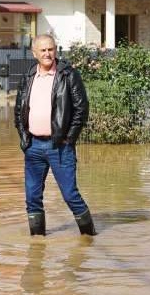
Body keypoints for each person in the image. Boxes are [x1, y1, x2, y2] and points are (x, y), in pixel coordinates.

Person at [14, 34, 96, 237]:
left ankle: (89, 238)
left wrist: (69, 138)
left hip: (60, 146)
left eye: (50, 49)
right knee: (32, 197)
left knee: (70, 195)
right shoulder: (29, 76)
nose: (47, 54)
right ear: (35, 53)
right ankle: (37, 243)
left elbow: (81, 109)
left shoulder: (68, 75)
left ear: (56, 50)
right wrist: (24, 138)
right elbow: (18, 110)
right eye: (42, 50)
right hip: (33, 146)